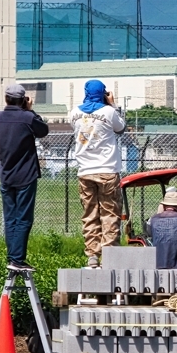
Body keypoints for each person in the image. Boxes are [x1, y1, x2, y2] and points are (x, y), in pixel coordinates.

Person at [0, 83, 49, 271]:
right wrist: (31, 111)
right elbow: (43, 131)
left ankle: (12, 257)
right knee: (23, 218)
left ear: (6, 98)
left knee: (10, 219)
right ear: (23, 100)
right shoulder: (27, 117)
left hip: (6, 175)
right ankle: (17, 259)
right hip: (25, 175)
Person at [70, 80, 127, 269]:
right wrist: (112, 104)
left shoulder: (74, 113)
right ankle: (109, 255)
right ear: (103, 93)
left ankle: (92, 255)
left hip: (85, 171)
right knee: (110, 213)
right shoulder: (109, 112)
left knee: (90, 214)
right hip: (107, 170)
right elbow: (120, 128)